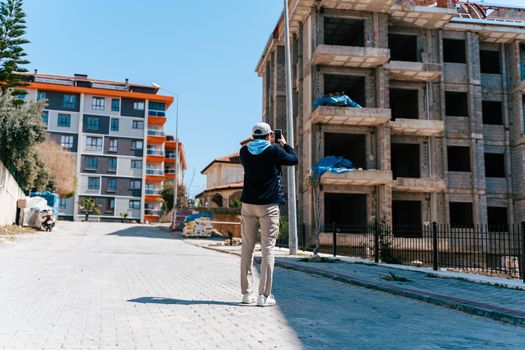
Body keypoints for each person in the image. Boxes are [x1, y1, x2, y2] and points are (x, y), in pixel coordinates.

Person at [239, 122, 298, 307]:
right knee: (267, 250)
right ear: (269, 135)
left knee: (246, 248)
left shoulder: (244, 152)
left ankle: (246, 294)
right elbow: (293, 159)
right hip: (269, 205)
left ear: (252, 135)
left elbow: (254, 151)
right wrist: (285, 144)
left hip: (248, 205)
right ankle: (264, 296)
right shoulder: (274, 151)